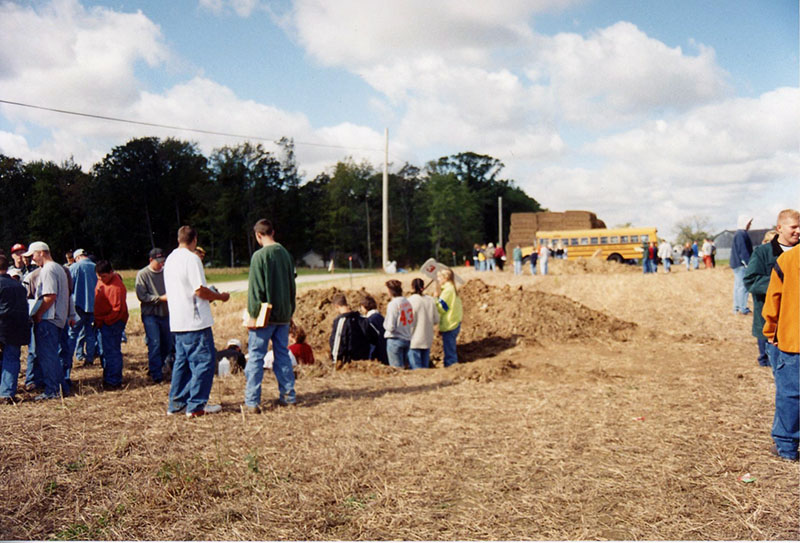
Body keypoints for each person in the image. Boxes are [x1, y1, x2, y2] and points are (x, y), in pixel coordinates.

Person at [164, 226, 230, 417]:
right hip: (195, 321)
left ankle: (176, 404)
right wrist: (220, 296)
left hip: (178, 320)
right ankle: (196, 406)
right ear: (194, 240)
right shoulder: (192, 258)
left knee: (182, 363)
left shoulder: (170, 259)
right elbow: (199, 290)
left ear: (179, 239)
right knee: (204, 362)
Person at [243, 219, 296, 413]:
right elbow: (292, 286)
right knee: (282, 355)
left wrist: (253, 315)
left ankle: (252, 402)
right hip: (283, 314)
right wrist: (291, 311)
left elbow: (256, 290)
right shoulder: (286, 255)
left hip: (264, 316)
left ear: (258, 235)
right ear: (273, 231)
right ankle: (289, 396)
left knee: (256, 357)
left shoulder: (259, 256)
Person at [744, 210, 800, 368]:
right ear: (779, 228)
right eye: (794, 227)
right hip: (771, 326)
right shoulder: (762, 252)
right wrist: (782, 283)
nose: (798, 231)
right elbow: (750, 280)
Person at [762, 244, 800, 462]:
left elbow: (773, 298)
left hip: (793, 340)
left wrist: (770, 330)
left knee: (790, 395)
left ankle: (786, 447)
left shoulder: (789, 259)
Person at [26, 241, 70, 400]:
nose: (32, 260)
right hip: (57, 318)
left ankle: (52, 390)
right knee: (52, 354)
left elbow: (50, 296)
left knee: (47, 356)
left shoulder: (48, 270)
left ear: (41, 253)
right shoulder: (58, 268)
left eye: (33, 256)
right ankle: (61, 388)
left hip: (48, 319)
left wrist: (38, 314)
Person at [135, 248, 173, 383]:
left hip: (166, 314)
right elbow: (142, 296)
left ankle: (161, 367)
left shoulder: (167, 273)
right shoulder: (142, 274)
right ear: (151, 260)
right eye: (159, 262)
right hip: (150, 315)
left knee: (167, 344)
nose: (161, 264)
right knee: (154, 343)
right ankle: (156, 375)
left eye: (163, 261)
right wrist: (160, 298)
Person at [0, 255, 30, 403]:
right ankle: (6, 393)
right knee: (12, 359)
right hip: (17, 328)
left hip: (2, 326)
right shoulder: (18, 285)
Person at [94, 260, 128, 388]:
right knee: (105, 351)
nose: (101, 279)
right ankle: (108, 377)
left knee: (112, 352)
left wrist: (104, 321)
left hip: (112, 323)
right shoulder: (102, 281)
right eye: (99, 277)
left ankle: (114, 381)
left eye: (104, 277)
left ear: (111, 272)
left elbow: (117, 311)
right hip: (102, 322)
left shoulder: (116, 288)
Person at [68, 248, 97, 367]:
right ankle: (89, 358)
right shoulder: (95, 266)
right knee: (90, 333)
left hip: (78, 305)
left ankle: (68, 358)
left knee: (73, 333)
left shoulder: (74, 267)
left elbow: (69, 286)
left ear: (77, 257)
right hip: (93, 305)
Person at [329, 293, 373, 364]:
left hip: (348, 362)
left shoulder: (341, 321)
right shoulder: (361, 318)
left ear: (336, 306)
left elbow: (338, 342)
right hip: (363, 361)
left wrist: (335, 361)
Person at [407, 278, 439, 369]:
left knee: (416, 371)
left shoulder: (410, 301)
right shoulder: (430, 300)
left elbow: (408, 321)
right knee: (425, 370)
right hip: (427, 339)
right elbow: (436, 319)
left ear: (412, 287)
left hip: (413, 340)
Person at [383, 280, 414, 368]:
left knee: (396, 370)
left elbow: (391, 326)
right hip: (406, 338)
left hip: (395, 339)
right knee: (405, 368)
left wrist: (384, 325)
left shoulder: (393, 304)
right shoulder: (407, 302)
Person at [436, 268, 462, 367]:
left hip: (449, 323)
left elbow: (442, 308)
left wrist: (435, 299)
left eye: (439, 277)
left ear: (445, 278)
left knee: (450, 350)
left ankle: (452, 368)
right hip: (454, 321)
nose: (438, 279)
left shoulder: (447, 291)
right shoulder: (452, 289)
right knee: (450, 347)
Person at [731, 215, 754, 314]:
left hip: (736, 263)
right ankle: (742, 308)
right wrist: (749, 264)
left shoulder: (738, 233)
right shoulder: (741, 234)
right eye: (749, 223)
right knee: (743, 286)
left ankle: (736, 308)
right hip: (741, 265)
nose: (750, 225)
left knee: (738, 286)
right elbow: (743, 251)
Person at [360, 294, 387, 364]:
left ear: (365, 306)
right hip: (385, 350)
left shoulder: (370, 321)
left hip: (377, 353)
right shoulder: (381, 317)